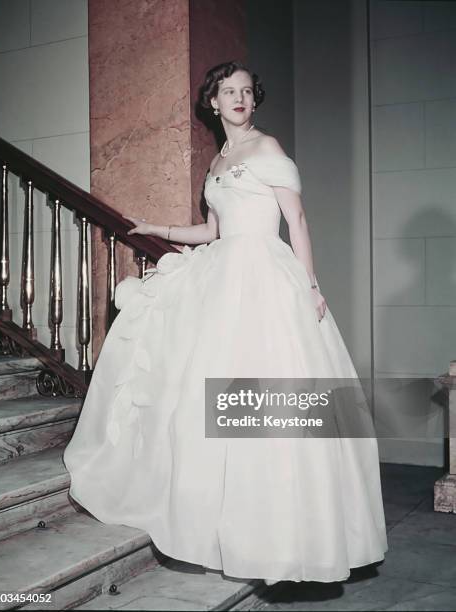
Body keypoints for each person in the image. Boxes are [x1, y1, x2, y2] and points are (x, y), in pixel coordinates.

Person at [63, 60, 388, 584]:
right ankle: (222, 519)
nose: (238, 98)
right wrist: (156, 227)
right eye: (227, 91)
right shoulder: (217, 160)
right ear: (212, 103)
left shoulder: (268, 148)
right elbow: (214, 229)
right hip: (221, 276)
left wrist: (309, 285)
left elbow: (297, 220)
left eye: (246, 91)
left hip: (266, 276)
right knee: (204, 397)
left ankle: (286, 531)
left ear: (253, 101)